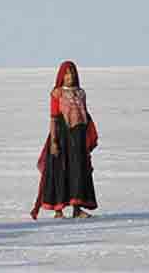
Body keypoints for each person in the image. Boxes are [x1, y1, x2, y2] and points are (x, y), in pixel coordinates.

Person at [30, 60, 98, 220]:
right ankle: (58, 210)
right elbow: (54, 118)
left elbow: (84, 115)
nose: (70, 77)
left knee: (78, 170)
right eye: (66, 73)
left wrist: (88, 138)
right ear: (61, 76)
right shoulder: (57, 94)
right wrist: (54, 141)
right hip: (62, 137)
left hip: (78, 137)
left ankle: (77, 209)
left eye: (72, 73)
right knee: (60, 170)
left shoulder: (80, 93)